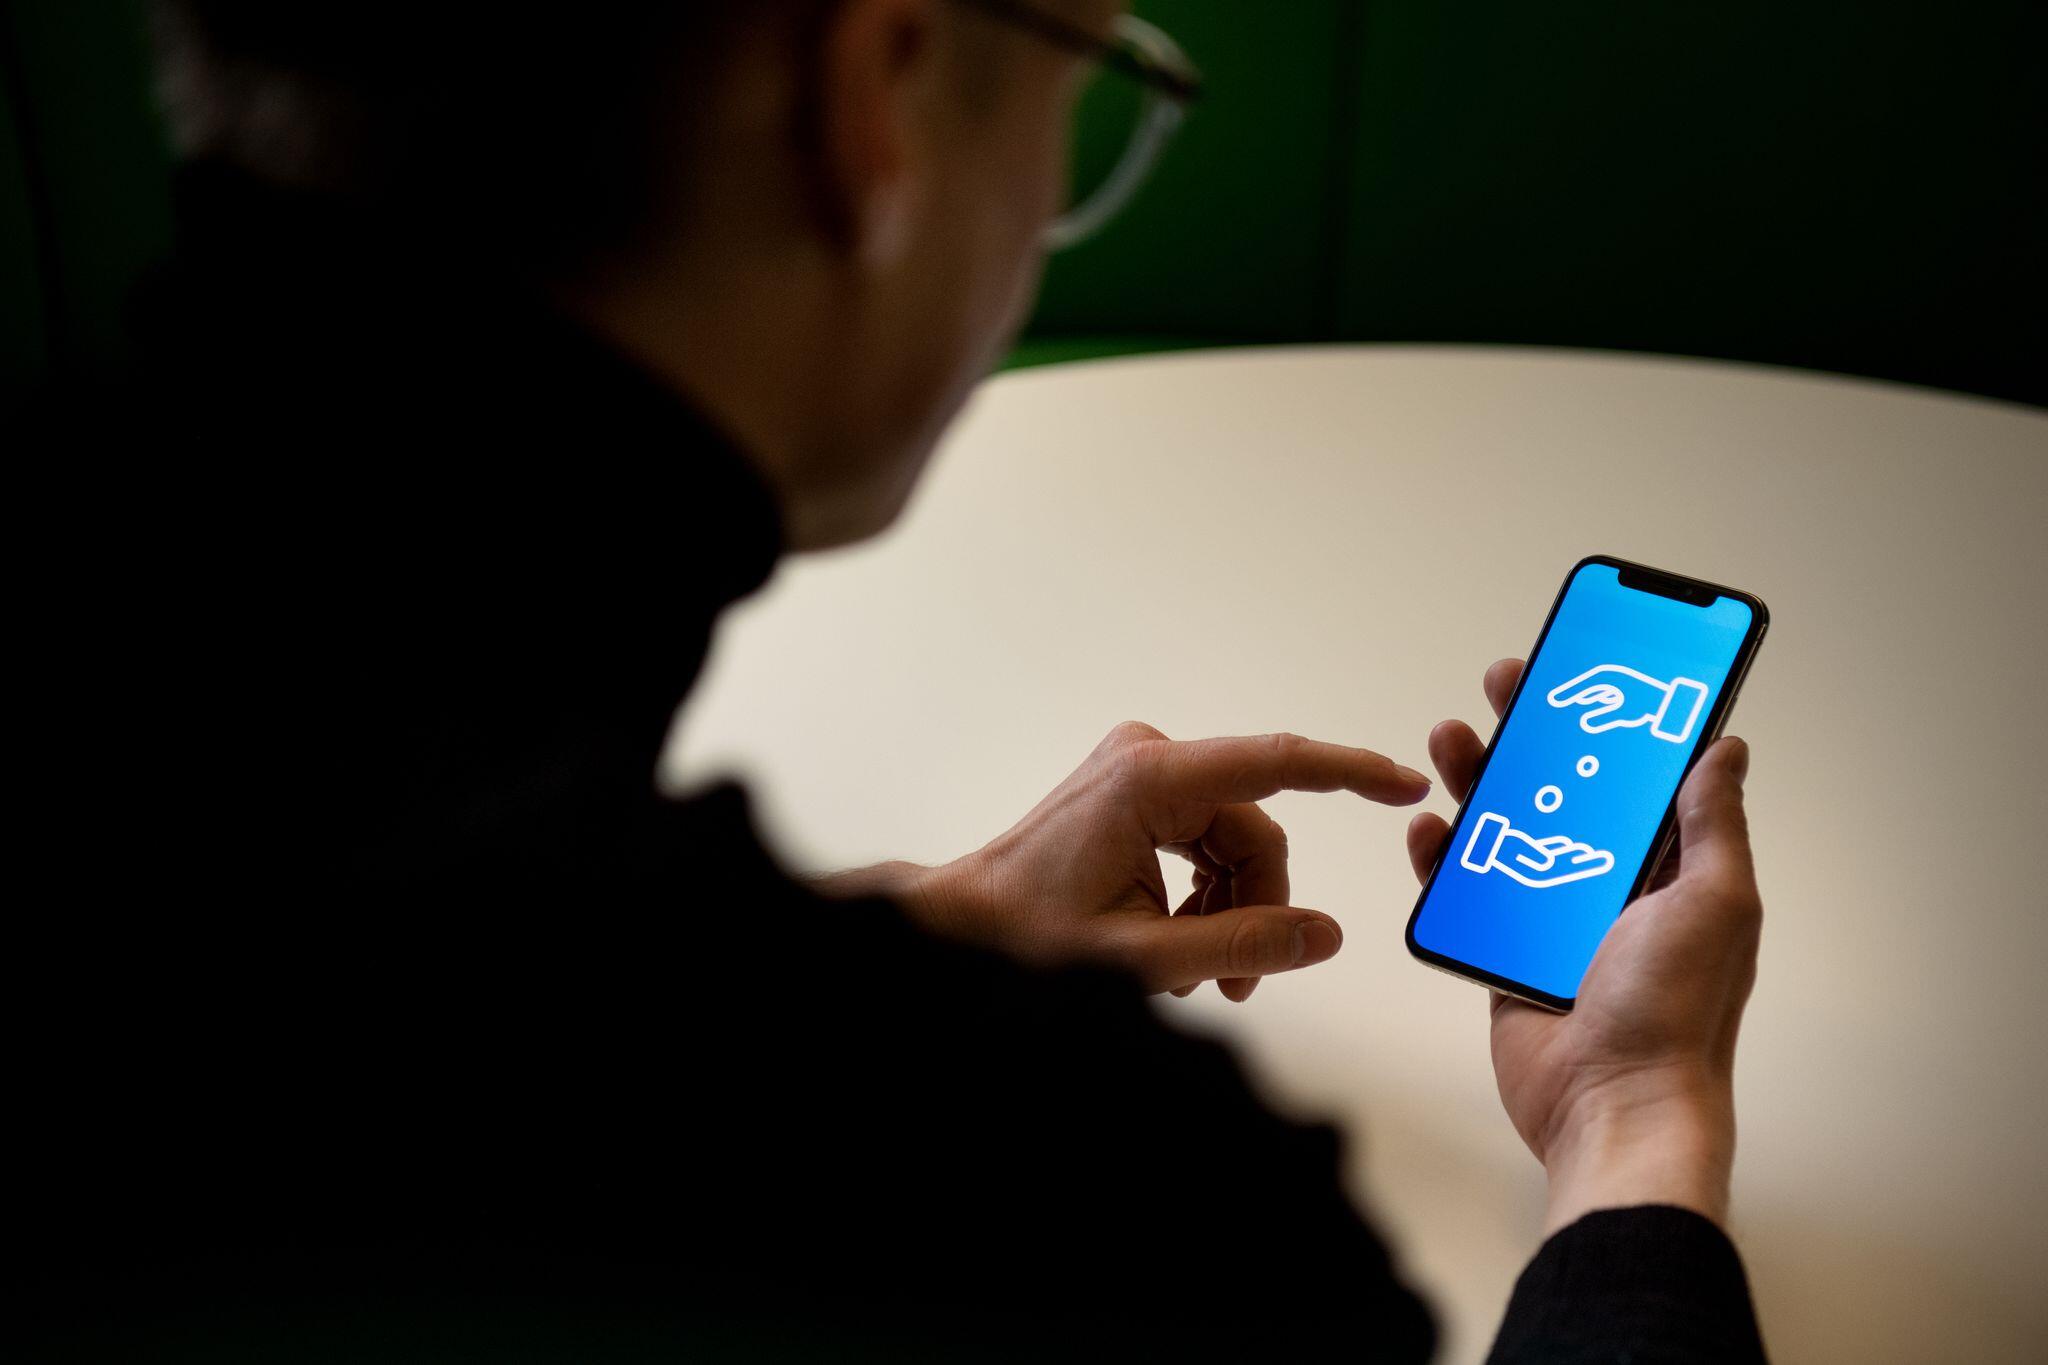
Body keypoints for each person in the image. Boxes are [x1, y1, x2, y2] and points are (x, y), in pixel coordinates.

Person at [15, 2, 1769, 1359]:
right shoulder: (1081, 1214)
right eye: (1094, 81)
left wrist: (927, 929)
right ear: (876, 92)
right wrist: (1634, 1116)